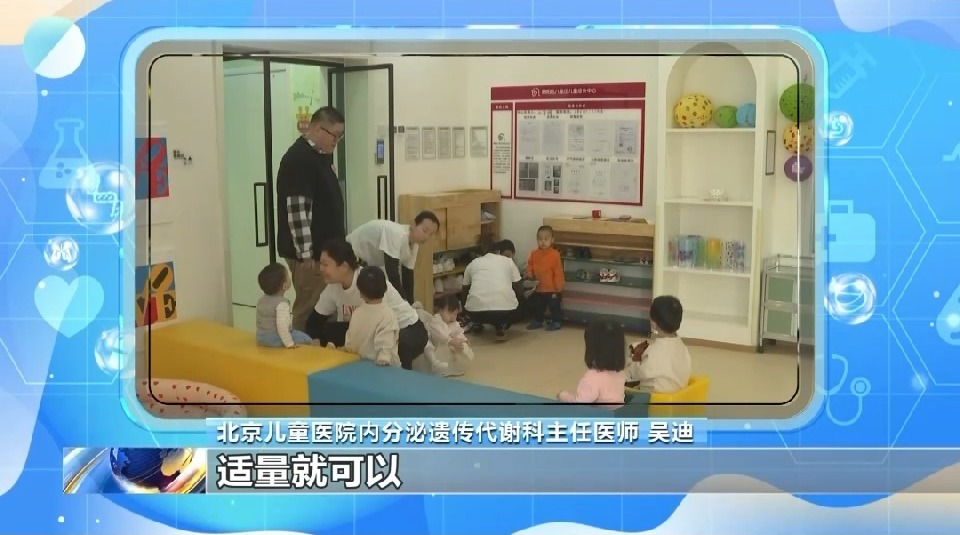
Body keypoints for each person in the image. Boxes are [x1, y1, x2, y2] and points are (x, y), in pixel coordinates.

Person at [305, 240, 429, 370]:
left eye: (325, 264)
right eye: (321, 264)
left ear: (344, 266)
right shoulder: (333, 287)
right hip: (371, 329)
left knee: (392, 345)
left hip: (405, 329)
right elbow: (314, 321)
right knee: (329, 330)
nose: (321, 269)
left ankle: (398, 378)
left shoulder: (368, 280)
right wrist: (316, 341)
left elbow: (384, 325)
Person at [275, 106, 346, 331]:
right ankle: (299, 347)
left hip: (323, 253)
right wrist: (305, 254)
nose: (337, 141)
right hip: (310, 257)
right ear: (317, 129)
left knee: (324, 308)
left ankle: (318, 347)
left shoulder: (321, 157)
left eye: (340, 136)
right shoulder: (300, 159)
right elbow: (298, 210)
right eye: (335, 135)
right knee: (309, 308)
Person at [346, 211, 440, 303]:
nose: (426, 237)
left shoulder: (414, 244)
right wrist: (404, 301)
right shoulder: (396, 233)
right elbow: (392, 272)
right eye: (425, 230)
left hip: (365, 261)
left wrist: (411, 304)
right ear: (413, 224)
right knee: (354, 298)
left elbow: (408, 275)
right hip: (349, 251)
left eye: (431, 234)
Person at [625, 295, 692, 393]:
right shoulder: (682, 347)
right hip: (679, 394)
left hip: (656, 396)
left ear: (653, 324)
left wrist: (631, 362)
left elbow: (639, 373)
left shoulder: (654, 352)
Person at [462, 239, 523, 341]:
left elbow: (464, 290)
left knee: (475, 303)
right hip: (504, 312)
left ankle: (476, 322)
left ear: (477, 254)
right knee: (521, 305)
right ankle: (501, 326)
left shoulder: (472, 264)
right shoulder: (508, 261)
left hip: (475, 312)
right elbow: (519, 289)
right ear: (497, 251)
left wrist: (466, 312)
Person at [557, 320, 626, 408]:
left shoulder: (593, 377)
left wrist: (562, 395)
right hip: (617, 412)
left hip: (599, 415)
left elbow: (580, 403)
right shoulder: (620, 373)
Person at [342, 267, 401, 367]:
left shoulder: (357, 313)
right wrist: (384, 358)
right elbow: (386, 341)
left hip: (359, 363)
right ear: (385, 288)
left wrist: (347, 350)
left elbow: (351, 338)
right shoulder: (387, 314)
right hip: (383, 366)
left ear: (361, 293)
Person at [254, 263, 315, 348]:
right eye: (288, 277)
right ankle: (317, 346)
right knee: (304, 337)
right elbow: (282, 326)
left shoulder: (261, 300)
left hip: (261, 337)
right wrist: (289, 343)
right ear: (285, 286)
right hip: (275, 338)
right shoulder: (282, 303)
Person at [420, 294, 474, 376]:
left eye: (455, 314)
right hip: (433, 341)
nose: (452, 317)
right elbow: (439, 334)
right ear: (440, 310)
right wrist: (450, 340)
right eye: (449, 313)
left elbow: (459, 332)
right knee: (427, 345)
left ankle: (451, 365)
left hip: (445, 346)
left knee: (458, 348)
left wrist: (464, 340)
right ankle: (435, 363)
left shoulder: (454, 323)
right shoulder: (436, 320)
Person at [525, 225, 564, 331]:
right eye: (540, 239)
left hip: (552, 289)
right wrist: (529, 274)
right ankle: (539, 321)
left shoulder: (555, 255)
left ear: (552, 240)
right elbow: (530, 265)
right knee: (538, 306)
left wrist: (558, 287)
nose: (543, 242)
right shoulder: (534, 254)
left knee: (554, 306)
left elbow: (558, 272)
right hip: (538, 287)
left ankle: (556, 322)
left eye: (546, 239)